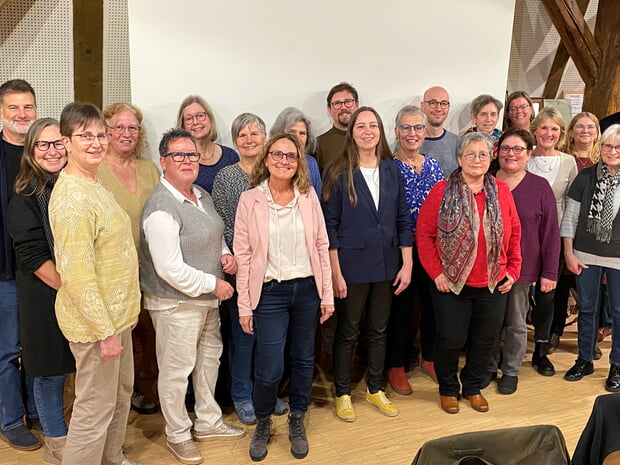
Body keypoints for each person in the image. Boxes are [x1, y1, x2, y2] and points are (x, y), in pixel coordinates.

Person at [140, 128, 244, 465]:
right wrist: (215, 284)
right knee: (176, 370)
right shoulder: (160, 208)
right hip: (176, 303)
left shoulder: (200, 194)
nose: (187, 161)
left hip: (205, 302)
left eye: (192, 155)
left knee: (208, 362)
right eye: (178, 155)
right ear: (163, 162)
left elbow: (214, 233)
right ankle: (178, 434)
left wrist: (225, 254)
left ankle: (209, 421)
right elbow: (169, 268)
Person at [49, 102, 144, 465]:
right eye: (84, 135)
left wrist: (127, 310)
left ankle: (112, 457)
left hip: (118, 315)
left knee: (119, 396)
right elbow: (77, 274)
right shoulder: (72, 197)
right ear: (66, 141)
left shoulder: (96, 182)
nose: (95, 142)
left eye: (100, 135)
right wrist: (104, 330)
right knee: (93, 409)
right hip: (95, 325)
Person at [234, 133, 334, 461]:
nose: (283, 161)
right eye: (277, 154)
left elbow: (321, 244)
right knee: (269, 365)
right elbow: (244, 254)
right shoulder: (250, 199)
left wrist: (327, 295)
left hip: (306, 289)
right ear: (266, 159)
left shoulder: (307, 197)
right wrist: (245, 305)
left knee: (304, 359)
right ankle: (263, 421)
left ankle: (297, 418)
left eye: (290, 156)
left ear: (298, 163)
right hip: (270, 293)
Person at [416, 132, 521, 414]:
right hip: (450, 283)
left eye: (483, 154)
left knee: (486, 340)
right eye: (470, 154)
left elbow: (514, 233)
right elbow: (424, 236)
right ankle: (448, 389)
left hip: (493, 281)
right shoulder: (441, 191)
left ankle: (473, 387)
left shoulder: (501, 191)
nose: (477, 159)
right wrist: (436, 273)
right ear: (460, 158)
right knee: (450, 339)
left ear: (491, 158)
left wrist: (513, 269)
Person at [322, 106, 413, 421]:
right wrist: (335, 271)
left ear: (380, 131)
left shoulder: (391, 169)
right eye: (361, 126)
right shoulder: (338, 170)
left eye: (373, 125)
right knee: (348, 331)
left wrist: (407, 263)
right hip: (351, 265)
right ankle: (343, 392)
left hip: (388, 263)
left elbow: (403, 218)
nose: (367, 131)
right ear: (352, 132)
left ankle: (376, 388)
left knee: (379, 329)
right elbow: (329, 225)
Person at [6, 118, 74, 464]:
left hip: (76, 295)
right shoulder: (25, 197)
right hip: (45, 294)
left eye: (58, 143)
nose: (52, 151)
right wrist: (75, 289)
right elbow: (34, 255)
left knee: (73, 373)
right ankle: (57, 448)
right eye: (43, 145)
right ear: (31, 152)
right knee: (49, 374)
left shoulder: (75, 187)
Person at [212, 113, 288, 424]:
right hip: (241, 270)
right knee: (244, 336)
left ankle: (264, 394)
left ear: (265, 137)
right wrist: (247, 256)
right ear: (235, 142)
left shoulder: (278, 172)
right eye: (242, 135)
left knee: (269, 337)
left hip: (275, 270)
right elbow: (223, 225)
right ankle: (242, 395)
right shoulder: (227, 177)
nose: (249, 139)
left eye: (255, 133)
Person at [100, 102, 160, 415]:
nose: (127, 133)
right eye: (119, 127)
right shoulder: (93, 170)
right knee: (124, 336)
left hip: (152, 268)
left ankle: (148, 389)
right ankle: (124, 395)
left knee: (151, 332)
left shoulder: (150, 169)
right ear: (106, 132)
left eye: (133, 128)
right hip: (113, 272)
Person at [491, 129, 560, 394]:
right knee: (487, 322)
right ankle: (487, 366)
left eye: (518, 149)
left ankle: (510, 370)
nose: (511, 154)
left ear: (529, 154)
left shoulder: (539, 187)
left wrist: (550, 272)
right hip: (486, 268)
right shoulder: (486, 181)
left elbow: (551, 232)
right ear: (498, 152)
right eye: (506, 148)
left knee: (516, 323)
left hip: (523, 268)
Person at [387, 105, 444, 394]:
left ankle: (429, 357)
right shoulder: (388, 167)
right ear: (396, 132)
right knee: (402, 310)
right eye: (406, 128)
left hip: (432, 249)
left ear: (425, 132)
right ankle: (395, 365)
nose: (412, 133)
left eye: (417, 128)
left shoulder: (434, 166)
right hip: (401, 250)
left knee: (433, 307)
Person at [561, 124, 620, 392]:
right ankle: (584, 359)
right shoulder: (585, 177)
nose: (612, 151)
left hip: (618, 258)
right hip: (584, 254)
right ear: (601, 147)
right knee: (586, 309)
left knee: (619, 313)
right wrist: (568, 253)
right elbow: (570, 218)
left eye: (618, 147)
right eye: (608, 146)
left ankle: (617, 365)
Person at [0, 78, 41, 451]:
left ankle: (38, 410)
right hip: (4, 272)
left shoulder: (43, 154)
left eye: (27, 107)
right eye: (13, 108)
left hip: (41, 271)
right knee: (8, 350)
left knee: (37, 345)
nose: (21, 114)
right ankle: (12, 419)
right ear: (1, 112)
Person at [527, 107, 578, 353]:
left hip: (554, 236)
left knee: (547, 291)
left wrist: (568, 239)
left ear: (561, 133)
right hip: (524, 235)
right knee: (519, 291)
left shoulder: (568, 162)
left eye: (554, 129)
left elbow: (571, 204)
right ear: (534, 130)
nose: (549, 133)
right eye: (544, 127)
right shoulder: (523, 157)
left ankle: (542, 342)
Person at [176, 95, 238, 193]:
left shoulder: (230, 156)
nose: (195, 122)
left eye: (200, 116)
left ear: (210, 119)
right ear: (183, 126)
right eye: (189, 119)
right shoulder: (180, 161)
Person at [270, 107, 322, 192]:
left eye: (302, 133)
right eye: (292, 132)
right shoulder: (271, 160)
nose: (297, 138)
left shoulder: (311, 163)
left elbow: (317, 201)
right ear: (279, 134)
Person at [316, 82, 359, 173]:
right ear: (329, 109)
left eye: (348, 102)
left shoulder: (369, 139)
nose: (343, 107)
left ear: (357, 105)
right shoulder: (319, 145)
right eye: (337, 103)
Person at [420, 86, 459, 177]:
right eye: (432, 103)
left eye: (444, 103)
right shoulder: (410, 142)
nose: (438, 108)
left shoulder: (457, 142)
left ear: (448, 107)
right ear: (423, 106)